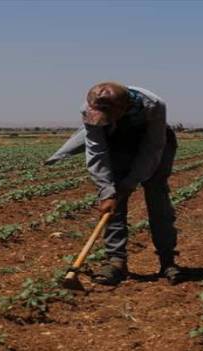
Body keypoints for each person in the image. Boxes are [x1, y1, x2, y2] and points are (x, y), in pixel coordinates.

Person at [45, 82, 180, 285]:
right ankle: (116, 262)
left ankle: (167, 261)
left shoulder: (153, 105)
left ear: (123, 109)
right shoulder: (91, 108)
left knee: (157, 198)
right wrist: (107, 191)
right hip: (116, 142)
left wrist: (131, 182)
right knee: (112, 203)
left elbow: (152, 149)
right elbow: (96, 151)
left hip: (154, 145)